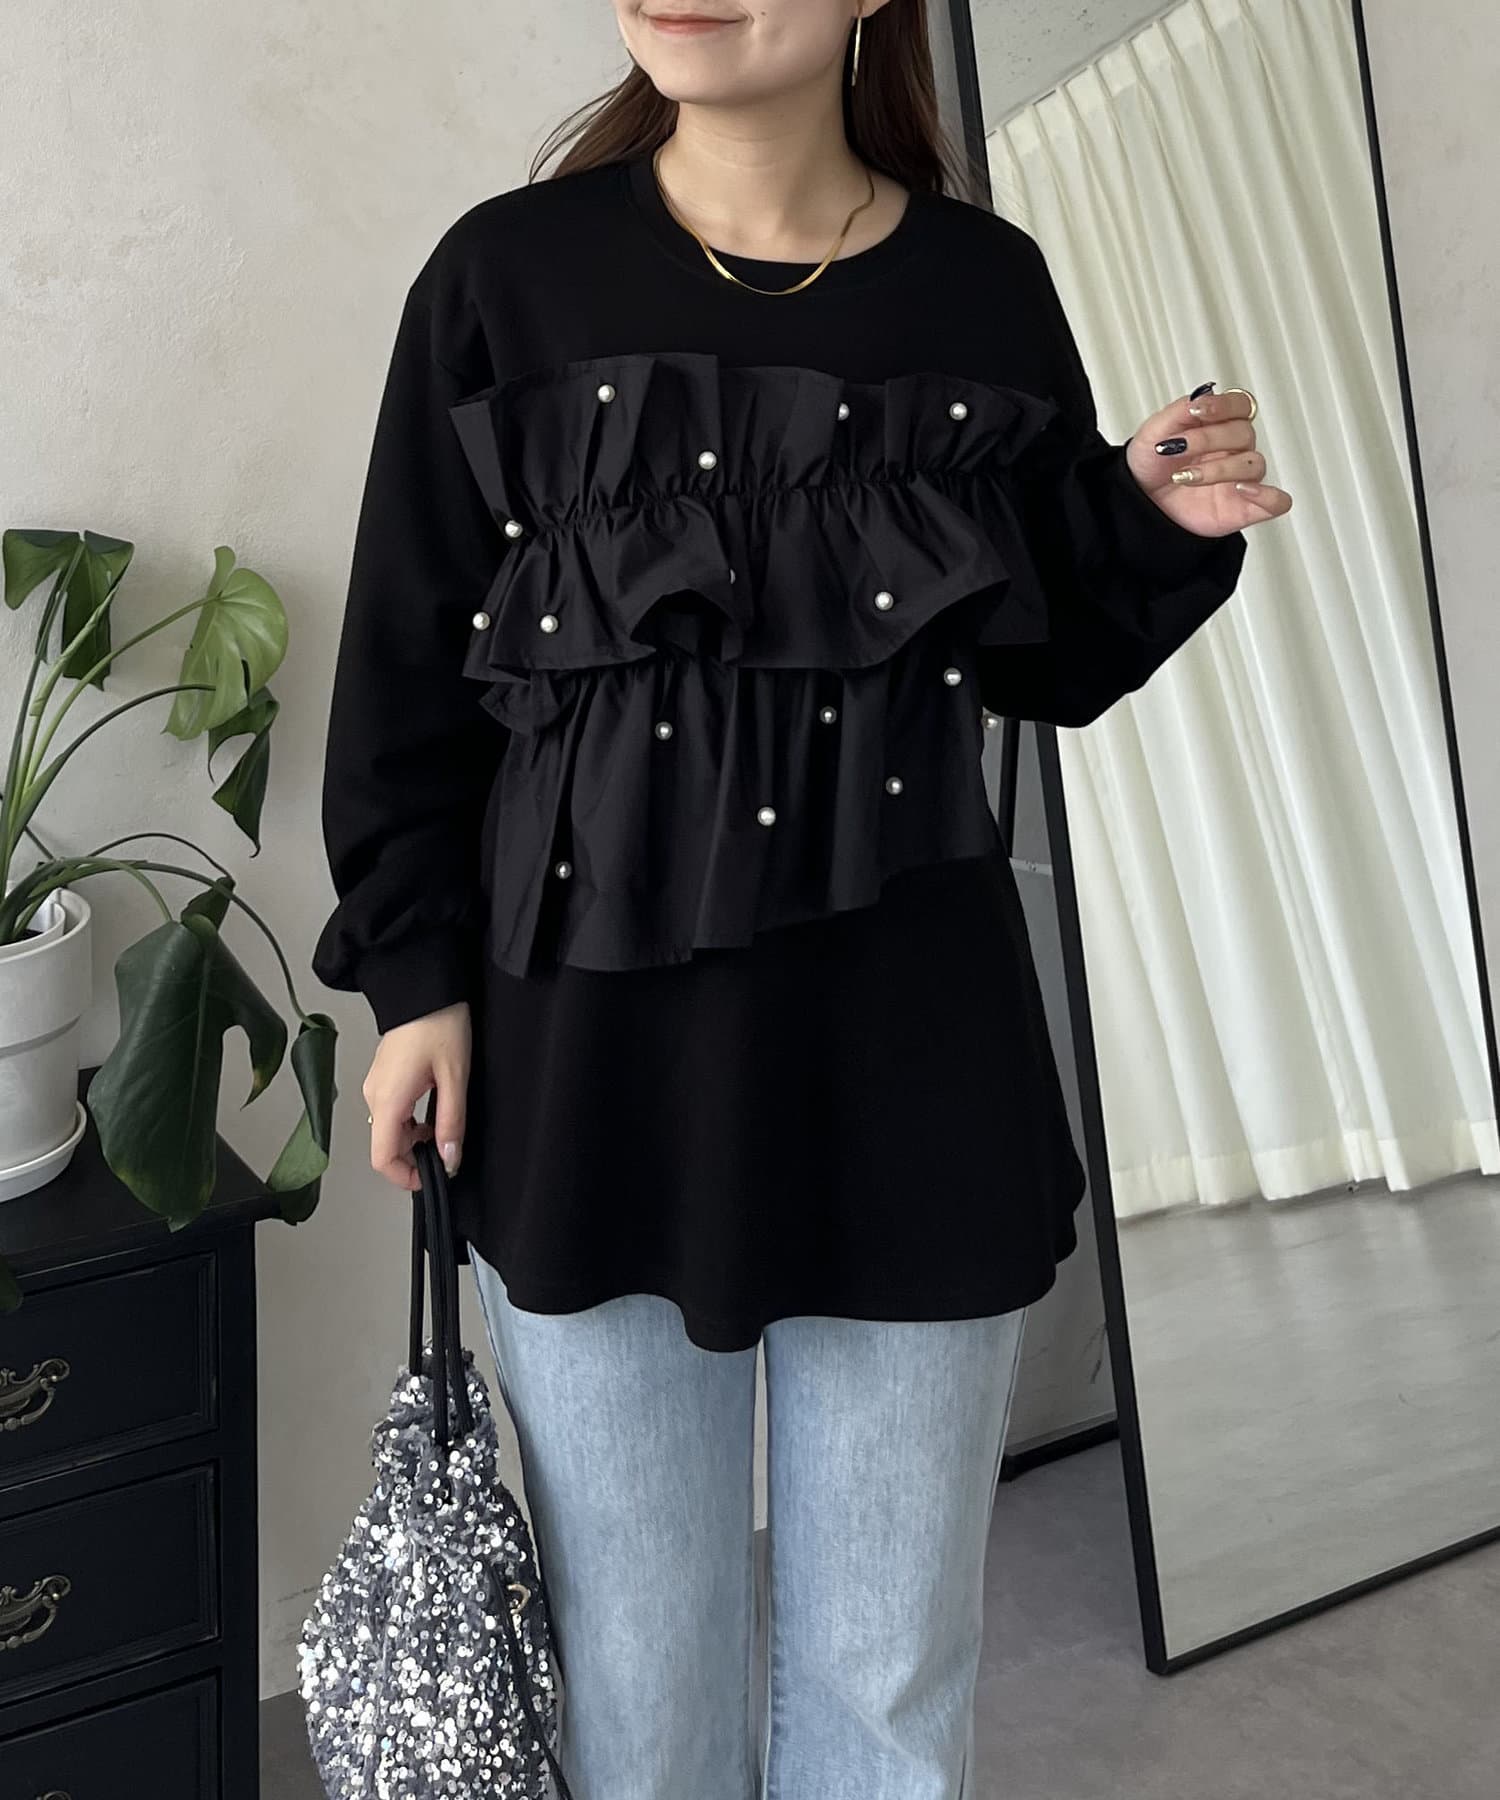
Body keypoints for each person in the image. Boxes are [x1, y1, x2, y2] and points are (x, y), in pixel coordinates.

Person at [310, 3, 1289, 1794]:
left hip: (912, 1062)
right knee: (641, 1694)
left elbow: (1039, 652)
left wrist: (1147, 522)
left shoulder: (984, 289)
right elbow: (405, 665)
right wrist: (416, 986)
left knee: (890, 1693)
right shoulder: (503, 280)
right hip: (591, 1068)